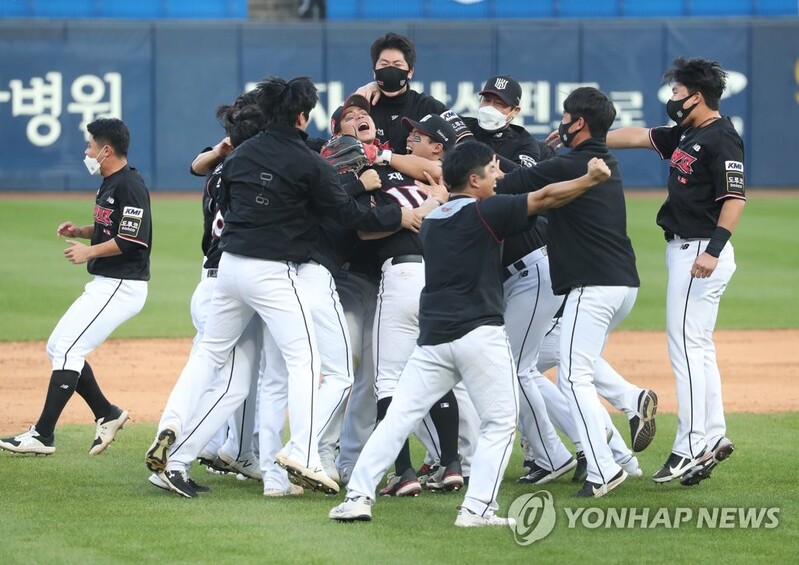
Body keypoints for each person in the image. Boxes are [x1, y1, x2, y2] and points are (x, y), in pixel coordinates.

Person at [150, 76, 422, 498]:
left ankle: (171, 425)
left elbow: (218, 183)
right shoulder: (307, 162)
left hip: (227, 267)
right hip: (274, 272)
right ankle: (305, 454)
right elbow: (347, 213)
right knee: (306, 363)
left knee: (210, 355)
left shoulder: (241, 155)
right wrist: (393, 214)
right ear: (301, 117)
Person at [329, 141, 611, 526]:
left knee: (398, 417)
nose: (498, 177)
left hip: (433, 339)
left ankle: (357, 498)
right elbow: (545, 197)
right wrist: (589, 179)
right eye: (492, 170)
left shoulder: (433, 219)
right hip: (479, 333)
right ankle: (477, 509)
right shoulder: (486, 211)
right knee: (500, 422)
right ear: (474, 180)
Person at [606, 57, 744, 486]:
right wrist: (586, 139)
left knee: (685, 350)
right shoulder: (689, 132)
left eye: (677, 92)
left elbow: (734, 199)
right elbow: (638, 136)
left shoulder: (721, 137)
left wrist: (713, 251)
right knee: (698, 348)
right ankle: (713, 434)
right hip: (689, 249)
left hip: (700, 250)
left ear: (696, 97)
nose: (672, 99)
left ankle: (690, 445)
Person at [498, 87, 640, 498]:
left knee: (574, 377)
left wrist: (475, 155)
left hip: (592, 286)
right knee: (571, 363)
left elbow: (512, 183)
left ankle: (602, 469)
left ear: (578, 123)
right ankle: (629, 413)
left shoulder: (571, 164)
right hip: (621, 285)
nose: (560, 121)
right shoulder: (600, 159)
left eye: (565, 116)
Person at [0, 118, 150, 456]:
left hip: (122, 285)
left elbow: (131, 238)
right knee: (57, 347)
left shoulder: (129, 185)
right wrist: (81, 231)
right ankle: (107, 413)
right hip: (107, 283)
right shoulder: (110, 182)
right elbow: (110, 228)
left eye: (90, 146)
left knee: (68, 350)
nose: (86, 152)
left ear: (106, 150)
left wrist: (89, 252)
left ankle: (42, 435)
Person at [356, 32, 447, 154]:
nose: (390, 70)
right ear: (374, 71)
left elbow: (464, 135)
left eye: (397, 64)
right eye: (384, 64)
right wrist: (356, 100)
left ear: (410, 72)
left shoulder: (427, 107)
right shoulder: (363, 107)